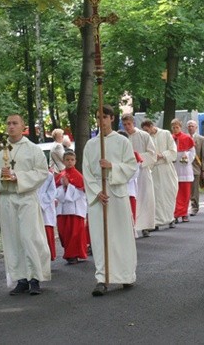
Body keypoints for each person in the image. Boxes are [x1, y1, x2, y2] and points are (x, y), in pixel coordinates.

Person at [0, 114, 51, 296]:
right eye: (8, 123)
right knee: (12, 238)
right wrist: (1, 173)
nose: (11, 126)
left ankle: (35, 277)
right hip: (7, 198)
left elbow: (41, 171)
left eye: (15, 123)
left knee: (29, 236)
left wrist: (19, 177)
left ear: (23, 126)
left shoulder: (32, 149)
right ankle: (21, 278)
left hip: (25, 197)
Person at [84, 105, 138, 296]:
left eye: (104, 117)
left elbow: (131, 167)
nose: (101, 121)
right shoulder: (91, 145)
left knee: (121, 235)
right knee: (100, 237)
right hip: (99, 195)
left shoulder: (122, 142)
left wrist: (112, 166)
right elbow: (87, 173)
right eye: (98, 117)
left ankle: (125, 274)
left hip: (116, 191)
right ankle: (102, 278)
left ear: (112, 118)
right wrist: (97, 191)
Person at [121, 114, 157, 237]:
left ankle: (145, 226)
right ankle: (131, 226)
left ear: (133, 123)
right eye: (124, 125)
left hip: (142, 171)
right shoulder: (121, 137)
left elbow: (152, 154)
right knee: (131, 199)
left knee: (145, 198)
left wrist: (138, 159)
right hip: (128, 174)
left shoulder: (144, 135)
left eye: (129, 124)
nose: (127, 127)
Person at [141, 119, 178, 230]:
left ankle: (170, 218)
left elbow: (173, 150)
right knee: (156, 195)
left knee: (169, 192)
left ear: (152, 126)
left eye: (147, 130)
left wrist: (162, 155)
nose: (147, 132)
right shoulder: (146, 138)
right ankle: (156, 221)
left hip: (166, 167)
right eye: (144, 131)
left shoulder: (165, 133)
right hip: (154, 169)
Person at [55, 150, 89, 264]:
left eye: (72, 160)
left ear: (75, 161)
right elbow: (56, 192)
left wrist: (68, 186)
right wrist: (63, 187)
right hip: (63, 209)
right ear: (63, 161)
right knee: (64, 232)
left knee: (75, 233)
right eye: (67, 160)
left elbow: (80, 193)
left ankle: (73, 255)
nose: (69, 162)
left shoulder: (78, 176)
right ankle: (70, 253)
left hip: (75, 210)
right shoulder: (60, 175)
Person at [171, 118, 195, 223]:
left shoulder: (187, 138)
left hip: (185, 169)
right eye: (173, 127)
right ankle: (176, 213)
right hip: (174, 168)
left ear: (180, 127)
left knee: (185, 193)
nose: (175, 129)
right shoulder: (170, 138)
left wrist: (186, 157)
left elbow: (192, 152)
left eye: (177, 127)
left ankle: (184, 213)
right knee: (175, 193)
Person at [186, 120, 204, 216]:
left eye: (192, 126)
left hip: (196, 167)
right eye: (189, 126)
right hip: (185, 167)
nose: (190, 128)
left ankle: (194, 207)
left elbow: (203, 155)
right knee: (186, 189)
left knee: (194, 189)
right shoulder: (184, 138)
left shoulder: (201, 139)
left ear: (196, 127)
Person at [37, 171, 57, 261]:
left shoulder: (49, 176)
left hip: (46, 208)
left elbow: (52, 191)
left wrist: (41, 203)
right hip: (31, 206)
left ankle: (48, 257)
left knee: (46, 232)